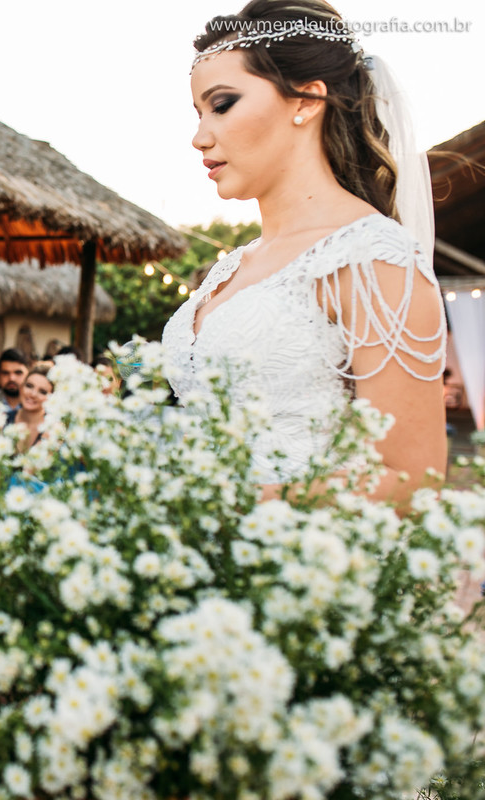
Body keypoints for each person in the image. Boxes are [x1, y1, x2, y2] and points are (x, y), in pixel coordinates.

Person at [162, 0, 446, 504]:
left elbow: (410, 480)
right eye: (198, 112)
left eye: (222, 104)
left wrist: (229, 507)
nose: (198, 137)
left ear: (306, 101)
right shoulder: (230, 267)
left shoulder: (372, 256)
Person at [5, 362, 53, 452]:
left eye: (42, 391)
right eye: (29, 386)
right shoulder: (2, 421)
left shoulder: (53, 429)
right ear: (22, 387)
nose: (33, 394)